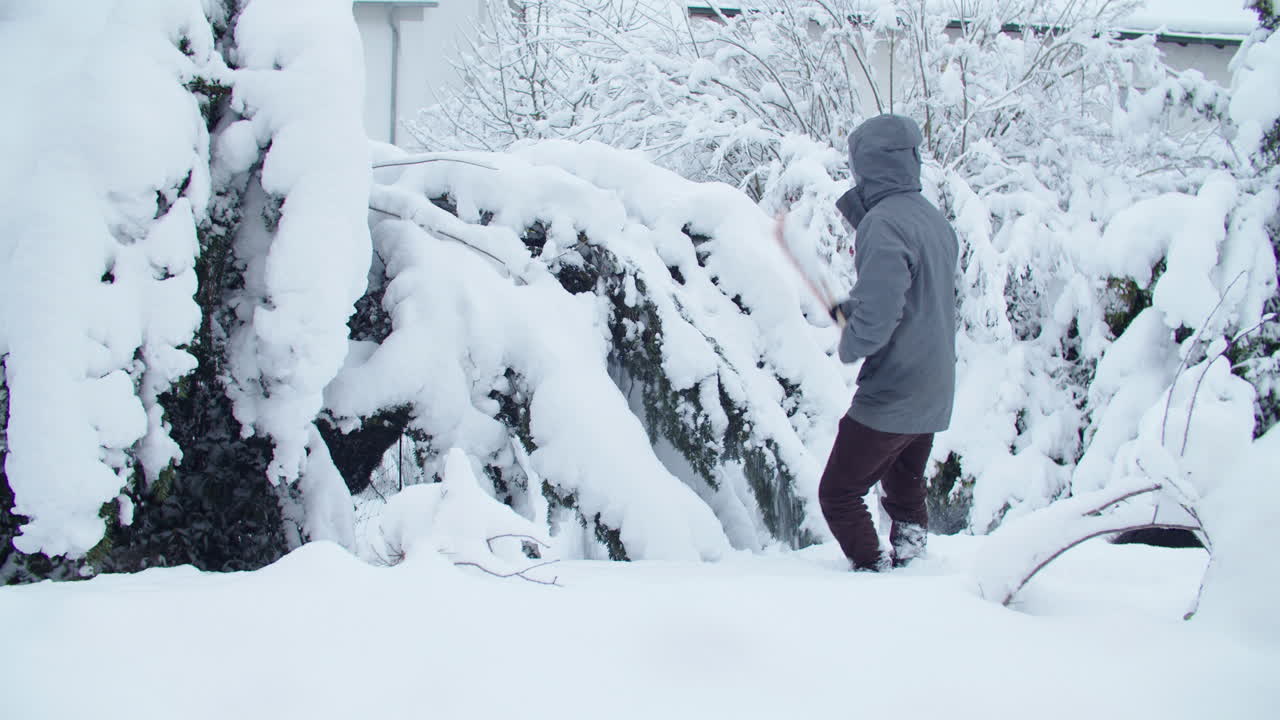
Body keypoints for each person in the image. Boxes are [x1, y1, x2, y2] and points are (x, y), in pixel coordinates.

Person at [821, 114, 959, 572]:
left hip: (896, 388)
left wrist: (850, 340)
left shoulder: (883, 225)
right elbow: (912, 296)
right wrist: (850, 308)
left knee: (839, 493)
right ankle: (914, 566)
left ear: (867, 164)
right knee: (904, 489)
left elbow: (881, 318)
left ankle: (875, 576)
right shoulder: (930, 220)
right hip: (934, 385)